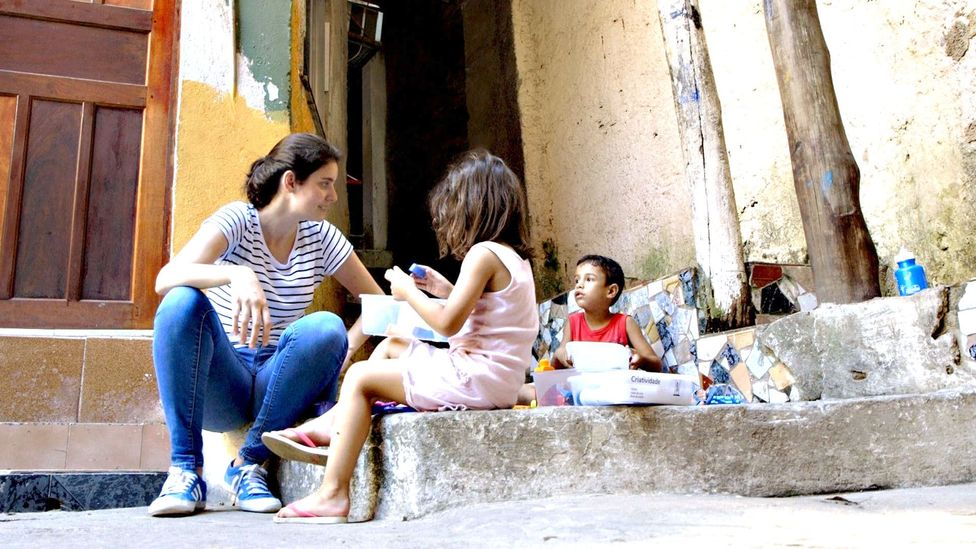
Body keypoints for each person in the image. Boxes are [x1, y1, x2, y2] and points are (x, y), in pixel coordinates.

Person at [265, 149, 538, 523]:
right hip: (494, 380)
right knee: (394, 342)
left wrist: (407, 291)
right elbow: (488, 312)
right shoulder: (513, 259)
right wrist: (444, 290)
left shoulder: (482, 254)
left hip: (475, 379)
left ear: (474, 206)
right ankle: (334, 425)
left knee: (361, 378)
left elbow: (448, 325)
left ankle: (332, 494)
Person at [147, 133, 383, 517]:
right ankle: (185, 470)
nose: (333, 196)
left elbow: (379, 306)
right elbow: (166, 279)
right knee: (181, 301)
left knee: (325, 327)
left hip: (280, 378)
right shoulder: (237, 220)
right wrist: (236, 274)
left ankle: (247, 465)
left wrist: (344, 352)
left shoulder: (322, 238)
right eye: (325, 184)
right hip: (225, 381)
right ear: (291, 182)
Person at [551, 255, 662, 372]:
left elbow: (656, 364)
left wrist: (641, 359)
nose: (579, 285)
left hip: (616, 388)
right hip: (581, 389)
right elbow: (556, 365)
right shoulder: (573, 323)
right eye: (577, 280)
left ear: (611, 291)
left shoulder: (625, 323)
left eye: (589, 279)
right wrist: (559, 354)